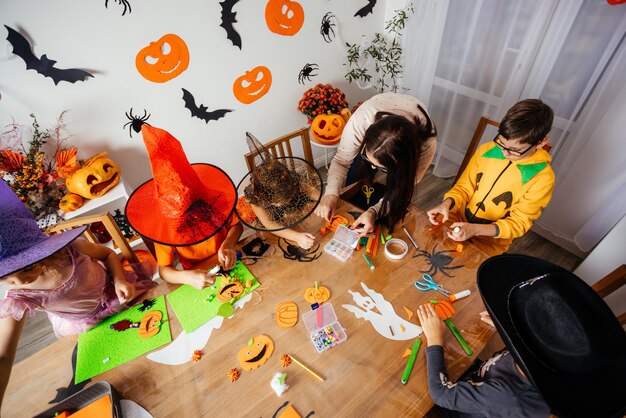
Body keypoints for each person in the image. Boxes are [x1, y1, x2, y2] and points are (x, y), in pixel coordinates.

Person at [0, 180, 155, 407]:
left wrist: (120, 279)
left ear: (40, 252)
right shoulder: (19, 297)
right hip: (87, 325)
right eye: (4, 277)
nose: (19, 280)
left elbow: (108, 255)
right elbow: (3, 356)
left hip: (118, 297)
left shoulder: (69, 249)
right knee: (124, 367)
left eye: (27, 267)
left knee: (156, 327)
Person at [417, 254, 626, 418]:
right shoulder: (547, 358)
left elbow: (441, 394)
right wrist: (507, 327)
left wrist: (435, 339)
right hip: (482, 385)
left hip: (460, 410)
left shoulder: (509, 396)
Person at [426, 99, 554, 255]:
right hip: (455, 221)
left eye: (515, 150)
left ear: (541, 142)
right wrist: (447, 203)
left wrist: (476, 229)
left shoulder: (542, 178)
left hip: (489, 242)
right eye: (501, 142)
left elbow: (519, 223)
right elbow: (464, 187)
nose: (505, 153)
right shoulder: (487, 150)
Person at [125, 122, 243, 290]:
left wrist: (227, 245)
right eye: (184, 211)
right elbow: (165, 270)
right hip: (196, 275)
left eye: (193, 206)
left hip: (230, 259)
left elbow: (236, 226)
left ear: (201, 197)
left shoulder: (215, 201)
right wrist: (184, 277)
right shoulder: (166, 226)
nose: (192, 215)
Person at [315, 92, 437, 234]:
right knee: (354, 186)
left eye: (382, 168)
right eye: (368, 158)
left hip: (413, 131)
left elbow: (403, 186)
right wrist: (331, 194)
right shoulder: (360, 122)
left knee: (390, 211)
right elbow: (342, 161)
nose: (373, 167)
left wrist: (374, 212)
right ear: (365, 140)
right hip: (376, 110)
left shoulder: (426, 145)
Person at [236, 133, 323, 250]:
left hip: (300, 215)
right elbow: (270, 225)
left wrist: (324, 203)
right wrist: (296, 237)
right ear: (263, 196)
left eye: (289, 196)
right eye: (280, 201)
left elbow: (312, 192)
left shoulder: (290, 181)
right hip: (279, 227)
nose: (285, 202)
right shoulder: (255, 197)